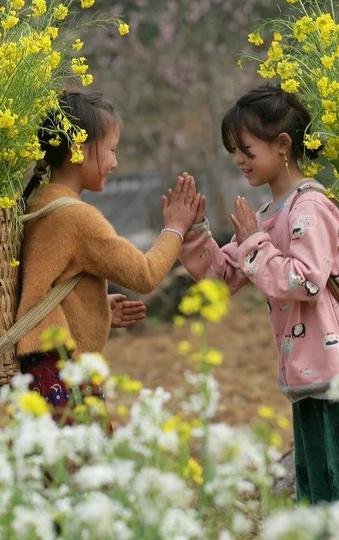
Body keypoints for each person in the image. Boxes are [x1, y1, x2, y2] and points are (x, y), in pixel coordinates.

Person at [178, 84, 339, 504]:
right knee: (333, 490)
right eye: (233, 150)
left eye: (246, 149)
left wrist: (255, 243)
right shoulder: (269, 216)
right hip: (309, 373)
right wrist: (192, 231)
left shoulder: (309, 208)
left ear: (283, 144)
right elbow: (223, 278)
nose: (238, 160)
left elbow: (306, 281)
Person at [15, 90, 201, 423]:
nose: (115, 163)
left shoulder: (38, 203)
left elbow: (44, 287)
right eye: (111, 150)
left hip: (37, 368)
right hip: (63, 370)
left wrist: (94, 311)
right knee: (83, 470)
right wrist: (175, 229)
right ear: (79, 150)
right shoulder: (77, 218)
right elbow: (144, 275)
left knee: (54, 471)